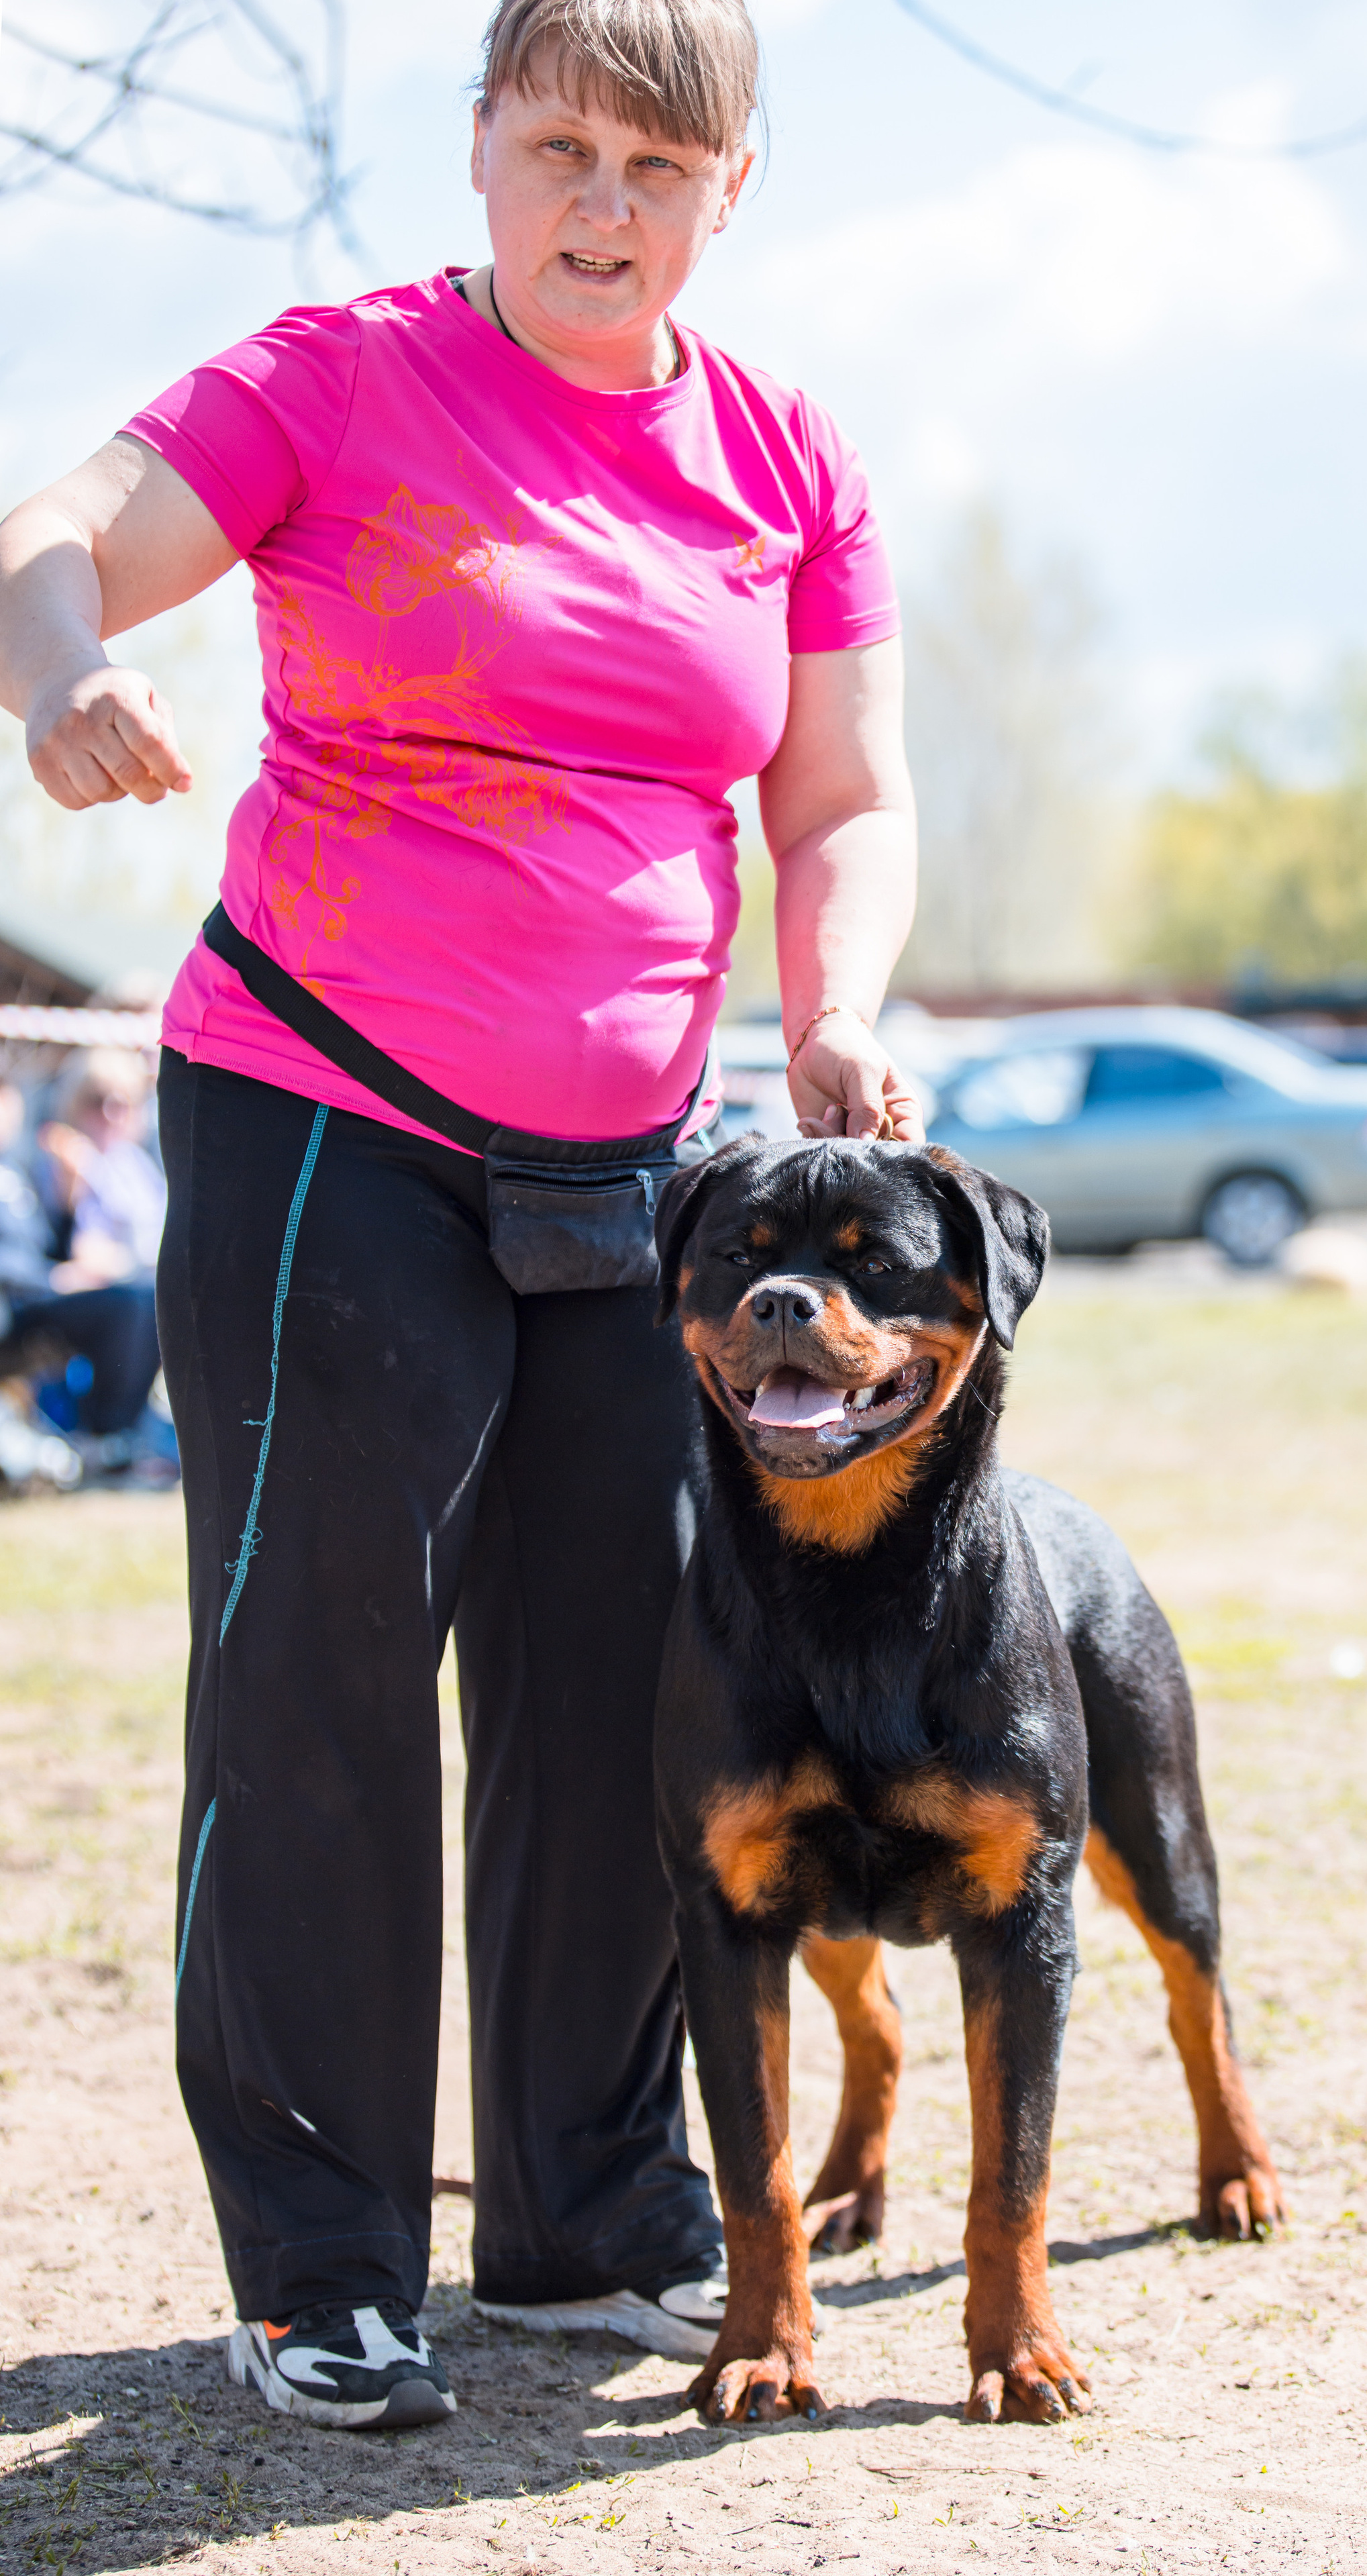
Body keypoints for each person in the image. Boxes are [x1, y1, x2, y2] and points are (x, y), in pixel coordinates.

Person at [0, 0, 921, 2430]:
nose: (600, 205)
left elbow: (835, 793)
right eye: (558, 150)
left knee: (619, 1668)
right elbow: (57, 523)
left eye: (654, 164)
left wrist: (840, 998)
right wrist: (61, 666)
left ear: (735, 186)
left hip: (638, 1162)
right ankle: (320, 2256)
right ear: (485, 151)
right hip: (325, 1111)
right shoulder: (347, 376)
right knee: (313, 1671)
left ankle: (583, 2201)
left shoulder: (782, 456)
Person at [0, 1062, 166, 1467]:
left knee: (151, 1300)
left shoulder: (24, 1162)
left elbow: (48, 1240)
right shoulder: (33, 1160)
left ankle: (117, 1437)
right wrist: (55, 1277)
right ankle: (104, 1434)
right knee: (131, 1304)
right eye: (97, 1103)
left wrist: (68, 1201)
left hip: (43, 1295)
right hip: (19, 1302)